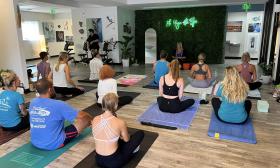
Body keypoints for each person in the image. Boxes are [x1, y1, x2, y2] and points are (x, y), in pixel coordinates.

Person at [29, 79, 92, 150]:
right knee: (84, 120)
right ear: (50, 89)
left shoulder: (33, 102)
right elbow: (82, 116)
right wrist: (92, 119)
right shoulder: (59, 104)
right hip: (52, 144)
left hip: (35, 141)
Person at [92, 92, 144, 168]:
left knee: (116, 139)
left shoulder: (95, 119)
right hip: (113, 162)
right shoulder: (120, 122)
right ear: (116, 105)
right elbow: (126, 140)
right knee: (140, 134)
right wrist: (122, 136)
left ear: (103, 104)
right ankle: (133, 152)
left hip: (98, 159)